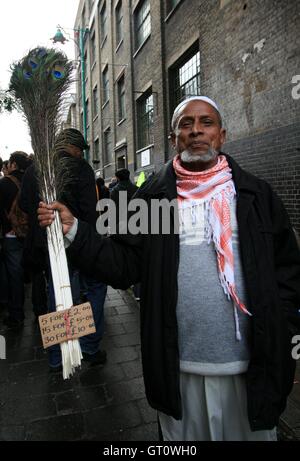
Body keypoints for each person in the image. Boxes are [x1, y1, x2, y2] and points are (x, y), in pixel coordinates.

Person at [38, 96, 300, 441]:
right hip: (179, 370)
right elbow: (124, 265)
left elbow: (289, 275)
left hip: (250, 371)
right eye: (185, 124)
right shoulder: (151, 199)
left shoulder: (256, 195)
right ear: (174, 138)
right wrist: (75, 229)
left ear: (221, 135)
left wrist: (284, 332)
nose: (196, 131)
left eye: (206, 123)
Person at [0, 151, 30, 327]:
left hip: (10, 235)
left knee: (14, 275)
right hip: (28, 233)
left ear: (13, 165)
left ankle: (16, 314)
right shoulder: (32, 180)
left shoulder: (4, 183)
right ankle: (38, 309)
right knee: (30, 271)